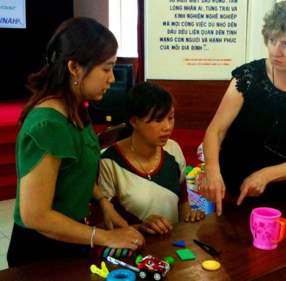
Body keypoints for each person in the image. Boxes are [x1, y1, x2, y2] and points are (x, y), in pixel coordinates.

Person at [7, 17, 144, 267]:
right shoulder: (48, 125)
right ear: (74, 68)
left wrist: (103, 202)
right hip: (41, 255)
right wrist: (105, 237)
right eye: (106, 68)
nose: (112, 78)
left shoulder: (76, 111)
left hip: (70, 238)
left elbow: (76, 168)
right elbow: (35, 215)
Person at [200, 0, 286, 216]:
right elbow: (215, 131)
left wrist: (266, 175)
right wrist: (212, 169)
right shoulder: (248, 76)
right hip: (233, 195)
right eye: (272, 40)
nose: (276, 51)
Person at [98, 82, 205, 235]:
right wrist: (140, 227)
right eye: (158, 120)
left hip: (172, 248)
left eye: (170, 117)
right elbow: (104, 224)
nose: (167, 127)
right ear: (134, 121)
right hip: (134, 250)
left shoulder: (173, 149)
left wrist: (190, 215)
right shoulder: (109, 162)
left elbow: (182, 201)